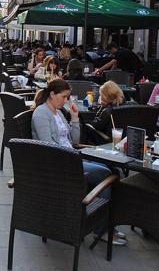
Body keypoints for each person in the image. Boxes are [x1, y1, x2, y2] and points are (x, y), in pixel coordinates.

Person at [31, 79, 126, 246]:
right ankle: (99, 228)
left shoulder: (58, 112)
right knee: (108, 173)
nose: (66, 101)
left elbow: (73, 140)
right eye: (64, 97)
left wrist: (74, 119)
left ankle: (101, 223)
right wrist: (74, 157)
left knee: (111, 169)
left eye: (67, 97)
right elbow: (48, 148)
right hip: (62, 165)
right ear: (52, 94)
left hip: (71, 157)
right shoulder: (41, 113)